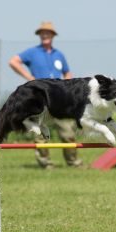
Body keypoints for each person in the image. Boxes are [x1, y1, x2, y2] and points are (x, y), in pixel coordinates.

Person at [9, 21, 83, 170]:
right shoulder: (32, 52)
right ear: (39, 35)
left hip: (60, 99)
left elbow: (67, 72)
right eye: (42, 33)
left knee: (68, 132)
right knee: (40, 134)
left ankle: (73, 163)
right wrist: (30, 79)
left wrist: (69, 87)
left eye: (48, 33)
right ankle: (46, 164)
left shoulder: (59, 55)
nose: (45, 35)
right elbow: (13, 61)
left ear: (52, 35)